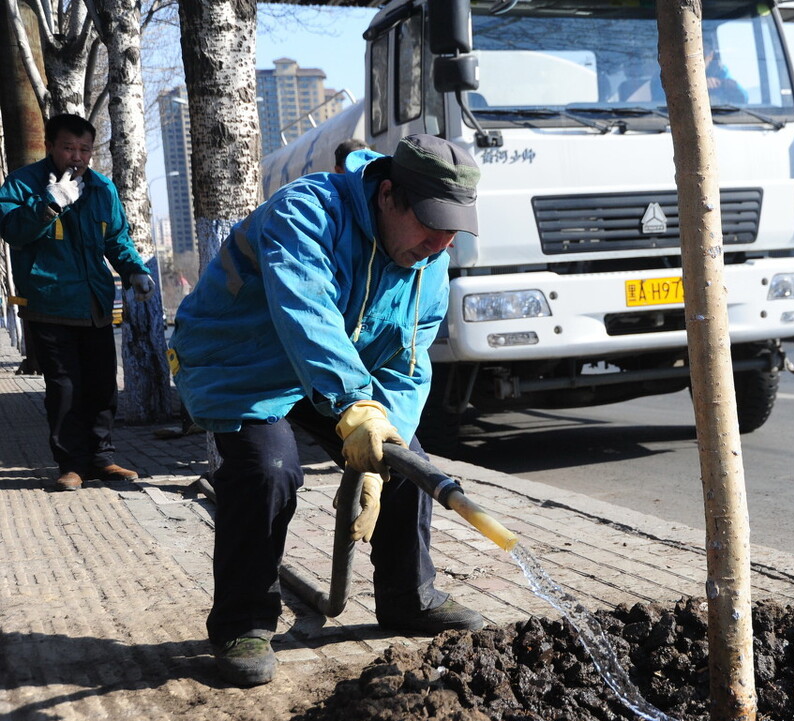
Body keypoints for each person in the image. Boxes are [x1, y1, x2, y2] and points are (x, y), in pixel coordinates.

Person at [168, 134, 485, 687]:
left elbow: (407, 361)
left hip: (335, 369)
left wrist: (384, 440)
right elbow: (305, 314)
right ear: (388, 195)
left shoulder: (428, 258)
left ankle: (408, 597)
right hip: (239, 363)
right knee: (267, 469)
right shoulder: (305, 213)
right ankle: (242, 623)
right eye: (431, 224)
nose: (440, 244)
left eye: (452, 230)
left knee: (407, 460)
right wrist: (353, 406)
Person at [0, 113, 155, 492]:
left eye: (84, 149)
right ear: (50, 146)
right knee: (65, 387)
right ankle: (71, 464)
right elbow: (10, 229)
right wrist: (48, 205)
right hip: (49, 302)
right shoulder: (22, 184)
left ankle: (102, 457)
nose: (77, 156)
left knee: (102, 384)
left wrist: (134, 270)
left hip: (95, 304)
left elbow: (117, 238)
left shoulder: (102, 188)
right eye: (69, 147)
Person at [703, 32, 748, 104]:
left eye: (703, 55)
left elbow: (743, 98)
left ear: (710, 56)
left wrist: (723, 83)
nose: (697, 61)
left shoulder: (721, 72)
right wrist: (701, 85)